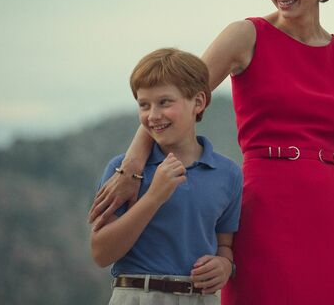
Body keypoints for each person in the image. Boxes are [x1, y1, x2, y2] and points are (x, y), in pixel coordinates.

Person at [89, 0, 334, 304]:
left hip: (330, 215)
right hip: (265, 208)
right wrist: (132, 166)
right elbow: (176, 98)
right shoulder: (246, 35)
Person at [91, 48, 243, 304]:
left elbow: (225, 245)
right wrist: (153, 198)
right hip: (137, 296)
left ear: (198, 102)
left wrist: (224, 265)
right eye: (144, 105)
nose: (153, 115)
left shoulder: (228, 174)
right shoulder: (123, 173)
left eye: (164, 102)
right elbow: (101, 253)